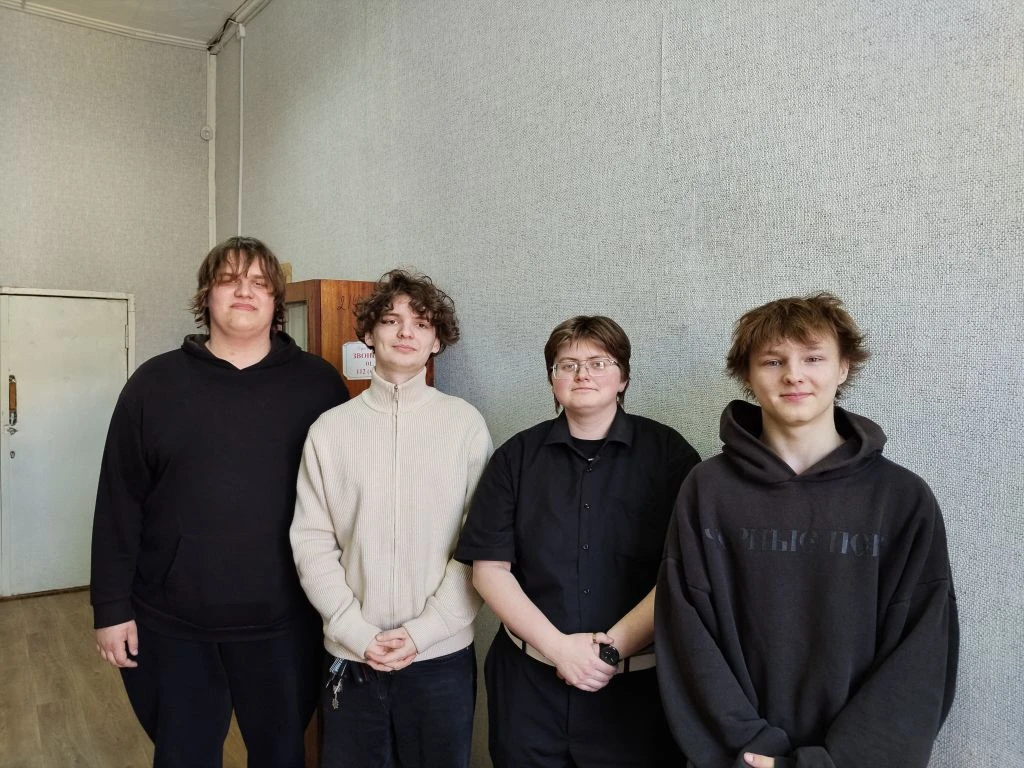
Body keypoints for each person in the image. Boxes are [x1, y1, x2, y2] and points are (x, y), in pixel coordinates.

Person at [656, 292, 959, 768]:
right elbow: (685, 633)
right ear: (747, 376)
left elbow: (921, 653)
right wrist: (749, 750)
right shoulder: (707, 490)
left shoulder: (902, 499)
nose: (794, 375)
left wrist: (835, 761)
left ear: (843, 368)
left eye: (813, 358)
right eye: (772, 361)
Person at [90, 236, 349, 767]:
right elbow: (119, 503)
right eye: (229, 280)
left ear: (276, 300)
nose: (244, 291)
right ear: (206, 295)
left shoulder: (319, 385)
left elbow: (345, 501)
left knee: (281, 756)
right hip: (174, 622)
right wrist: (111, 609)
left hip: (286, 621)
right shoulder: (153, 385)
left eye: (259, 283)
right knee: (183, 755)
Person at [455, 315, 701, 767]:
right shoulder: (515, 458)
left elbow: (684, 571)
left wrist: (609, 651)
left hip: (637, 694)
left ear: (623, 377)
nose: (582, 374)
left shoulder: (670, 456)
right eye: (567, 365)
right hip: (529, 688)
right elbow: (489, 571)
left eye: (598, 362)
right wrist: (559, 649)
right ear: (552, 381)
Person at [290, 268, 492, 768]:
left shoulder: (465, 425)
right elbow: (312, 542)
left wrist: (426, 630)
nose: (406, 332)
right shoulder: (330, 430)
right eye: (391, 320)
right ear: (368, 334)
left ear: (437, 341)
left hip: (441, 655)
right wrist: (355, 631)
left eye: (421, 323)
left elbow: (479, 542)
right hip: (352, 654)